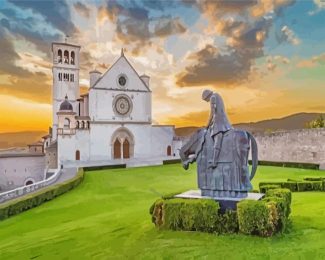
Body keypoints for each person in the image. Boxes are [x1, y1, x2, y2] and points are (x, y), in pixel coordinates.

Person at [202, 90, 233, 169]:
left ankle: (214, 161)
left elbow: (212, 112)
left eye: (206, 100)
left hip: (219, 122)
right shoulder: (217, 95)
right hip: (222, 120)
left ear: (207, 96)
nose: (207, 101)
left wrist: (207, 125)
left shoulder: (213, 97)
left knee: (217, 138)